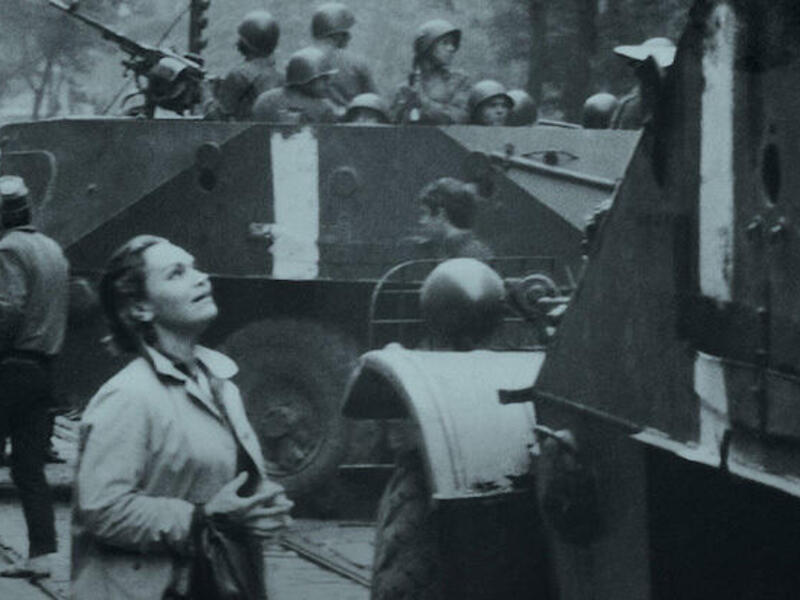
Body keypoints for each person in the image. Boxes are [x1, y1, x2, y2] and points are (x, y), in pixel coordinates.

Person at [71, 235, 292, 599]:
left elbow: (219, 486)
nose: (200, 278)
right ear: (141, 308)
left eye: (194, 267)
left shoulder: (221, 385)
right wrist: (203, 519)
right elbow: (103, 509)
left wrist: (261, 505)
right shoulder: (128, 396)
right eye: (177, 274)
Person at [0, 175, 69, 579]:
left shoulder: (7, 249)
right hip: (44, 370)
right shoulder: (51, 249)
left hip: (9, 368)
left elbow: (7, 309)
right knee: (29, 468)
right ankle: (43, 553)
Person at [390, 19, 471, 125]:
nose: (451, 48)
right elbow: (394, 126)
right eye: (445, 43)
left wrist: (424, 103)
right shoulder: (406, 88)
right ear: (427, 46)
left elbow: (460, 118)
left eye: (452, 44)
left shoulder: (458, 81)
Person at [210, 11, 283, 121]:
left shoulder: (238, 75)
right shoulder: (283, 77)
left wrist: (206, 95)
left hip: (245, 136)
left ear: (245, 42)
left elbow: (215, 119)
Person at [311, 2, 378, 114]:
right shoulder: (357, 63)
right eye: (346, 33)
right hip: (349, 127)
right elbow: (375, 103)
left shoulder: (299, 62)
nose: (349, 37)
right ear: (339, 34)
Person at [252, 46, 338, 124]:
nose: (328, 83)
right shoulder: (323, 108)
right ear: (307, 79)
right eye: (324, 79)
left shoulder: (265, 100)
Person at [415, 177, 492, 261]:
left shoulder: (472, 252)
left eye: (425, 213)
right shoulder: (443, 249)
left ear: (441, 214)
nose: (422, 221)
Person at [610, 37, 676, 130]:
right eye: (638, 65)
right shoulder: (628, 107)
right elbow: (616, 139)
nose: (637, 71)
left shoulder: (686, 105)